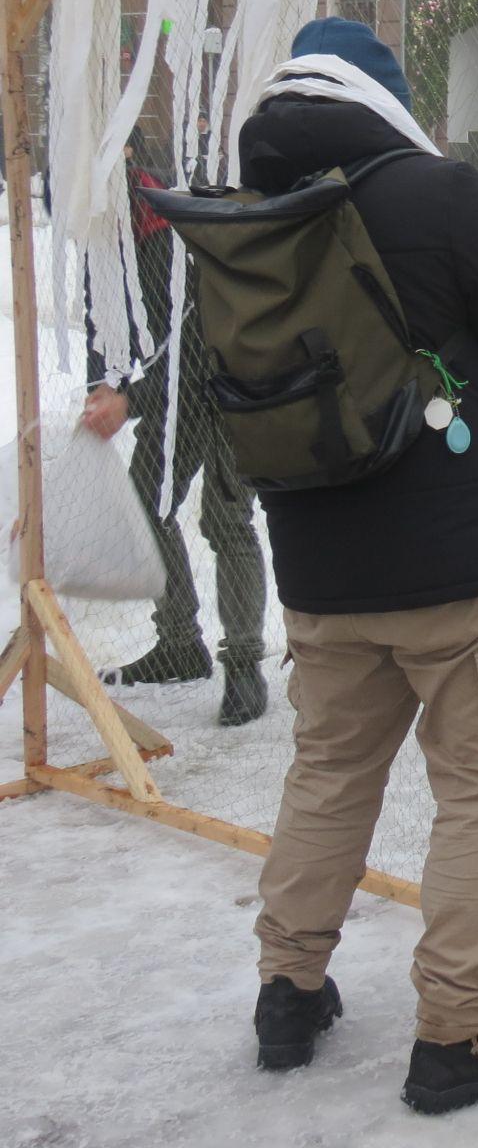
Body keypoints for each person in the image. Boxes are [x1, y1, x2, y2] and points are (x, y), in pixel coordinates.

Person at [237, 17, 478, 1111]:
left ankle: (287, 991)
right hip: (459, 570)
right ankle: (459, 1034)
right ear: (384, 99)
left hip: (317, 567)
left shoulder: (255, 211)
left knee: (330, 774)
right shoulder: (436, 195)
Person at [85, 145, 269, 727]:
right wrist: (102, 383)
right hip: (172, 394)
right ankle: (179, 643)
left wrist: (129, 400)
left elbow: (188, 345)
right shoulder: (101, 231)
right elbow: (106, 319)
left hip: (226, 382)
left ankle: (243, 663)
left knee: (225, 519)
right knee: (147, 502)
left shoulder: (167, 227)